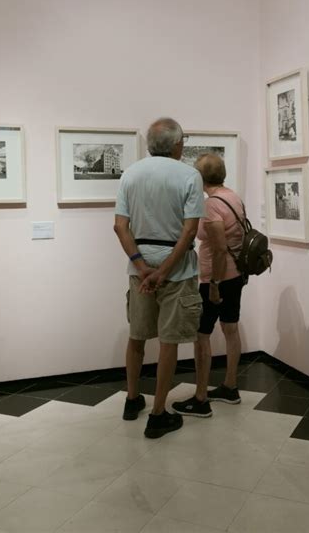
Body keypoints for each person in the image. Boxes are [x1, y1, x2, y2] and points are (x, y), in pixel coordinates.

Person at [114, 118, 204, 438]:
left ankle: (132, 398)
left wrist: (142, 268)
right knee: (168, 341)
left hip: (140, 265)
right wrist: (163, 271)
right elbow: (190, 230)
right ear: (178, 144)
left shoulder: (131, 173)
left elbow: (120, 226)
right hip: (176, 268)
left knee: (137, 335)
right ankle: (158, 413)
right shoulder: (189, 175)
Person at [172, 153, 245, 418]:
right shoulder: (233, 196)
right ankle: (230, 386)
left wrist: (213, 284)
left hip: (216, 279)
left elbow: (218, 248)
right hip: (235, 275)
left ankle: (201, 398)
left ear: (200, 177)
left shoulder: (212, 205)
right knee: (230, 327)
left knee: (202, 336)